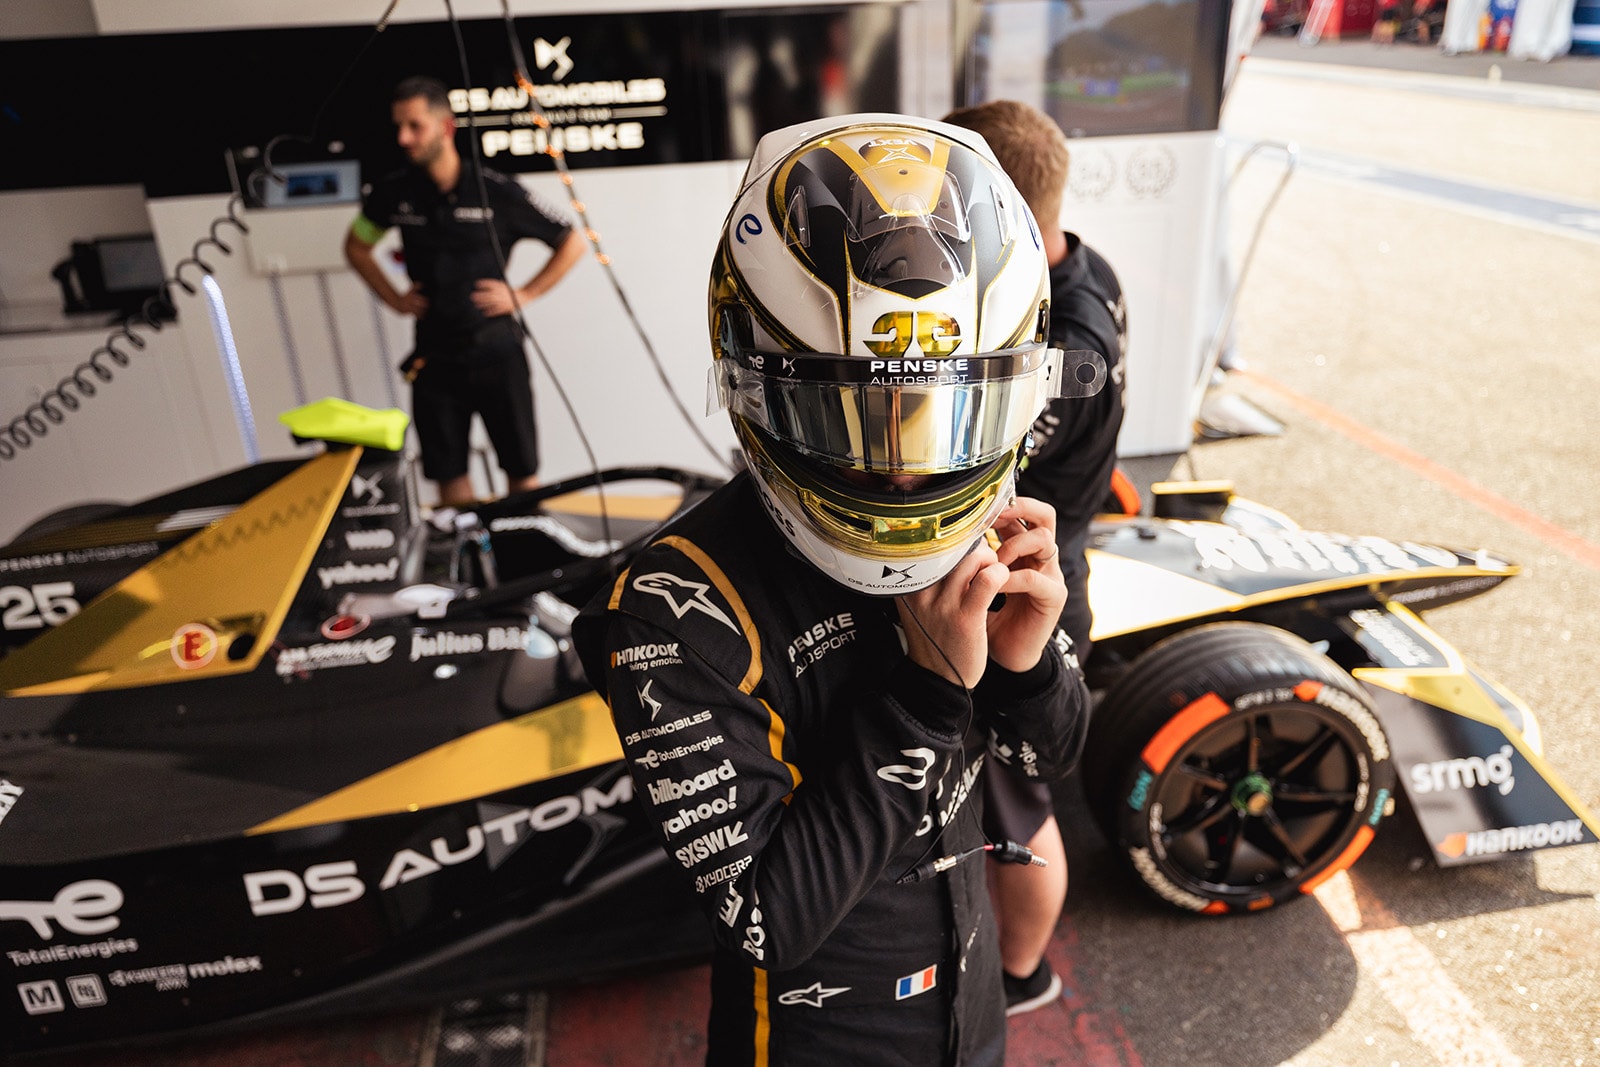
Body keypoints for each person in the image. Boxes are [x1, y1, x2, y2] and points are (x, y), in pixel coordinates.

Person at [573, 115, 1096, 1066]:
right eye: (848, 408)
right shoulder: (674, 610)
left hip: (971, 1015)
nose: (903, 467)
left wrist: (1027, 669)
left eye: (943, 407)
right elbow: (764, 922)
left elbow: (1047, 757)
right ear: (750, 384)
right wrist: (927, 697)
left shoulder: (990, 527)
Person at [942, 99, 1128, 1016]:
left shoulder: (1067, 345)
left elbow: (972, 466)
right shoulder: (1078, 265)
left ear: (999, 209)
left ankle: (1021, 973)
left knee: (1019, 802)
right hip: (1040, 554)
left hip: (1032, 583)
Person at [344, 75, 586, 506]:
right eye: (399, 127)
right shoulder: (393, 192)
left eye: (414, 126)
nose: (403, 138)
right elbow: (356, 247)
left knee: (522, 472)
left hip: (497, 353)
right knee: (449, 477)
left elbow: (572, 240)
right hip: (434, 358)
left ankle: (522, 543)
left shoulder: (496, 189)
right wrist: (395, 299)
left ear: (446, 127)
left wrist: (524, 294)